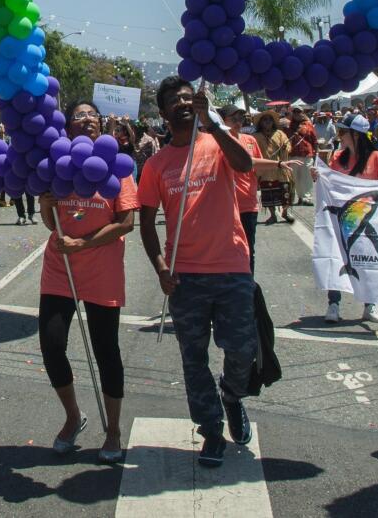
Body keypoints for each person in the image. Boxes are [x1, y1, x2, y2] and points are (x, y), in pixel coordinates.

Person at [139, 77, 255, 469]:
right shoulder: (155, 165)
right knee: (194, 359)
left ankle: (233, 396)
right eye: (175, 100)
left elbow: (245, 164)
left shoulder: (215, 142)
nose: (184, 103)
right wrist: (159, 268)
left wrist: (215, 124)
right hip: (185, 274)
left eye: (189, 97)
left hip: (232, 266)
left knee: (241, 349)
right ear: (163, 111)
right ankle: (210, 429)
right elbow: (146, 222)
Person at [37, 100, 138, 463]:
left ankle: (113, 429)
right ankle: (73, 417)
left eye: (91, 116)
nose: (86, 120)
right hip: (60, 268)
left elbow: (126, 223)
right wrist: (47, 203)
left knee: (106, 352)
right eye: (78, 116)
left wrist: (84, 242)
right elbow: (54, 224)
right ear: (68, 128)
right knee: (51, 344)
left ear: (101, 124)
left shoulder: (118, 167)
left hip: (102, 270)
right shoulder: (59, 166)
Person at [315, 114, 378, 325]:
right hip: (340, 219)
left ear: (356, 135)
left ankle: (369, 304)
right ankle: (334, 303)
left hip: (366, 220)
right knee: (336, 257)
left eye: (343, 132)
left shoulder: (376, 157)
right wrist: (319, 176)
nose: (340, 136)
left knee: (366, 259)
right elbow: (330, 183)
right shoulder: (338, 156)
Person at [220, 105, 263, 271]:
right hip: (226, 206)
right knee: (227, 249)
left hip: (248, 205)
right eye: (233, 119)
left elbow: (257, 166)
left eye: (240, 118)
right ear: (223, 121)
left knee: (248, 249)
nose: (238, 122)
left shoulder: (250, 140)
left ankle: (248, 284)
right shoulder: (216, 141)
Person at [253, 110, 293, 225]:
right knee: (268, 192)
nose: (267, 122)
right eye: (265, 120)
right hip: (266, 169)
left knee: (285, 190)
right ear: (260, 122)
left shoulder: (280, 133)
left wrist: (285, 147)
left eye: (269, 120)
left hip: (281, 167)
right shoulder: (256, 136)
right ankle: (272, 215)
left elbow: (288, 146)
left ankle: (285, 212)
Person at [286, 107, 317, 207]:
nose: (296, 114)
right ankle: (298, 197)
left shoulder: (308, 124)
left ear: (302, 113)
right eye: (294, 112)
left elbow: (314, 139)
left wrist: (316, 152)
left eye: (298, 112)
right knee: (295, 178)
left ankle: (307, 198)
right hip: (293, 154)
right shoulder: (289, 125)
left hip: (306, 154)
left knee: (306, 177)